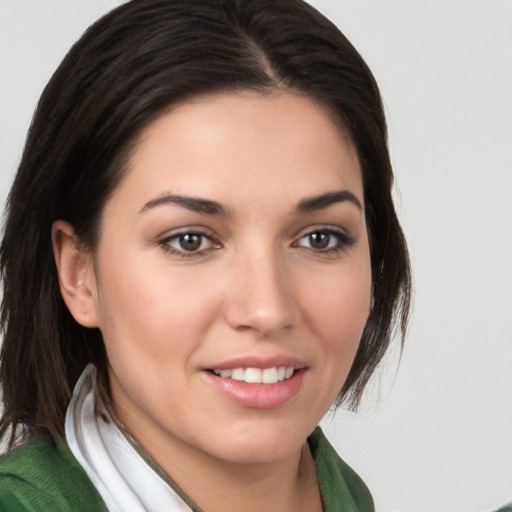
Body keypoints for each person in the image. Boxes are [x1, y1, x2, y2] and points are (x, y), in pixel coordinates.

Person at [0, 0, 412, 510]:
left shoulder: (342, 493)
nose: (267, 309)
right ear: (78, 273)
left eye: (320, 238)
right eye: (189, 240)